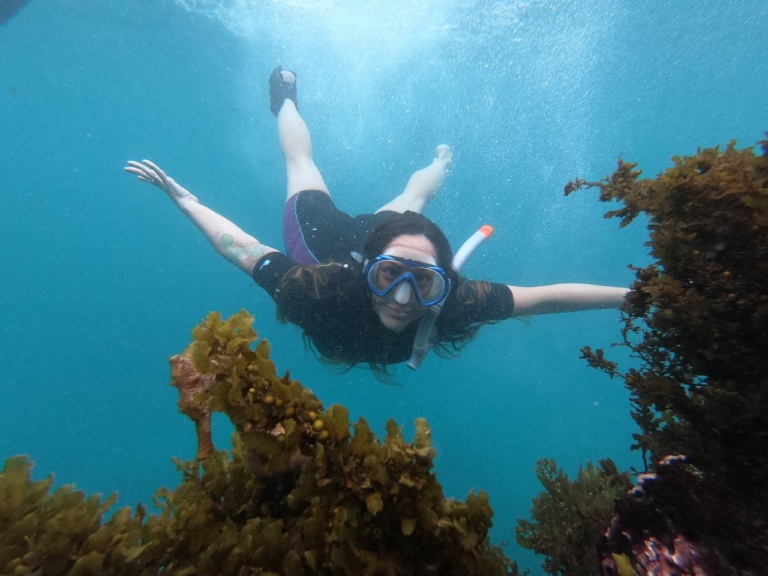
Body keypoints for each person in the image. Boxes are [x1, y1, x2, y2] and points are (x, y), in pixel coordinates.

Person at [125, 67, 628, 379]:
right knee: (301, 163)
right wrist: (186, 200)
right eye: (390, 276)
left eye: (425, 281)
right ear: (370, 267)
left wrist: (635, 296)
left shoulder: (450, 298)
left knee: (414, 197)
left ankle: (440, 164)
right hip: (324, 238)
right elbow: (243, 249)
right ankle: (286, 97)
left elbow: (547, 297)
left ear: (442, 279)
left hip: (390, 235)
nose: (404, 297)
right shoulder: (317, 288)